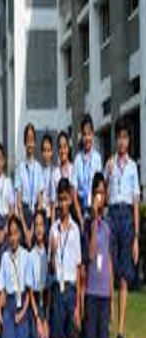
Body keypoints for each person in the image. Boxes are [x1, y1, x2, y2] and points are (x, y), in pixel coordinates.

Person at [104, 120, 140, 338]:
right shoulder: (110, 164)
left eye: (125, 137)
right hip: (112, 215)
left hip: (126, 217)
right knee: (110, 273)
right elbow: (103, 195)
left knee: (124, 276)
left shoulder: (133, 168)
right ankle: (110, 320)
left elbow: (136, 203)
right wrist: (107, 174)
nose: (122, 141)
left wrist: (136, 237)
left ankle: (121, 331)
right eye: (119, 137)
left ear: (129, 140)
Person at [72, 115, 103, 321]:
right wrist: (81, 218)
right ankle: (82, 316)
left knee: (96, 268)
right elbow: (74, 192)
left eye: (90, 134)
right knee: (82, 270)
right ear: (81, 136)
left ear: (93, 135)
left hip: (95, 214)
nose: (87, 138)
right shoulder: (77, 160)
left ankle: (97, 317)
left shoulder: (97, 158)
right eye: (84, 134)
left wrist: (95, 213)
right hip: (81, 214)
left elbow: (100, 190)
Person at [49, 178, 81, 338]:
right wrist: (53, 253)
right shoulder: (53, 229)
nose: (62, 203)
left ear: (70, 199)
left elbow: (78, 267)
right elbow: (51, 268)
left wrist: (78, 305)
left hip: (71, 288)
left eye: (65, 199)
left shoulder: (75, 230)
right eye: (60, 199)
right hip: (57, 288)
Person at [85, 172, 113, 338]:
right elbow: (91, 253)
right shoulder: (89, 223)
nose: (100, 197)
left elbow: (109, 260)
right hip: (92, 291)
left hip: (104, 292)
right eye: (97, 193)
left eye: (102, 193)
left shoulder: (108, 224)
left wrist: (111, 294)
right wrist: (95, 219)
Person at [0, 216, 30, 338]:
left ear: (20, 235)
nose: (13, 238)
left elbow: (29, 291)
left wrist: (22, 313)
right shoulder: (4, 257)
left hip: (22, 302)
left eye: (15, 233)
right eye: (10, 234)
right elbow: (1, 290)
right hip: (9, 302)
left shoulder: (26, 255)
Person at [15, 124, 44, 249]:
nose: (30, 144)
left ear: (35, 143)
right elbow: (18, 203)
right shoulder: (20, 168)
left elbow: (40, 201)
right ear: (24, 143)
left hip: (36, 217)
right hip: (24, 215)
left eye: (32, 140)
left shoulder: (39, 168)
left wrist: (32, 229)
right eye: (27, 140)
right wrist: (25, 229)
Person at [26, 211, 49, 338]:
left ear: (45, 227)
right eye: (36, 225)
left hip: (47, 302)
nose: (39, 229)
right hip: (35, 303)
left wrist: (45, 320)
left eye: (41, 224)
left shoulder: (49, 254)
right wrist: (38, 319)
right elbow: (29, 290)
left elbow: (50, 291)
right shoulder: (30, 255)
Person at [41, 133, 56, 235]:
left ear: (52, 152)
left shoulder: (55, 171)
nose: (46, 154)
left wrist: (53, 225)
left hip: (51, 216)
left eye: (48, 150)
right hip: (41, 215)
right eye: (44, 151)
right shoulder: (39, 172)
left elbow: (53, 203)